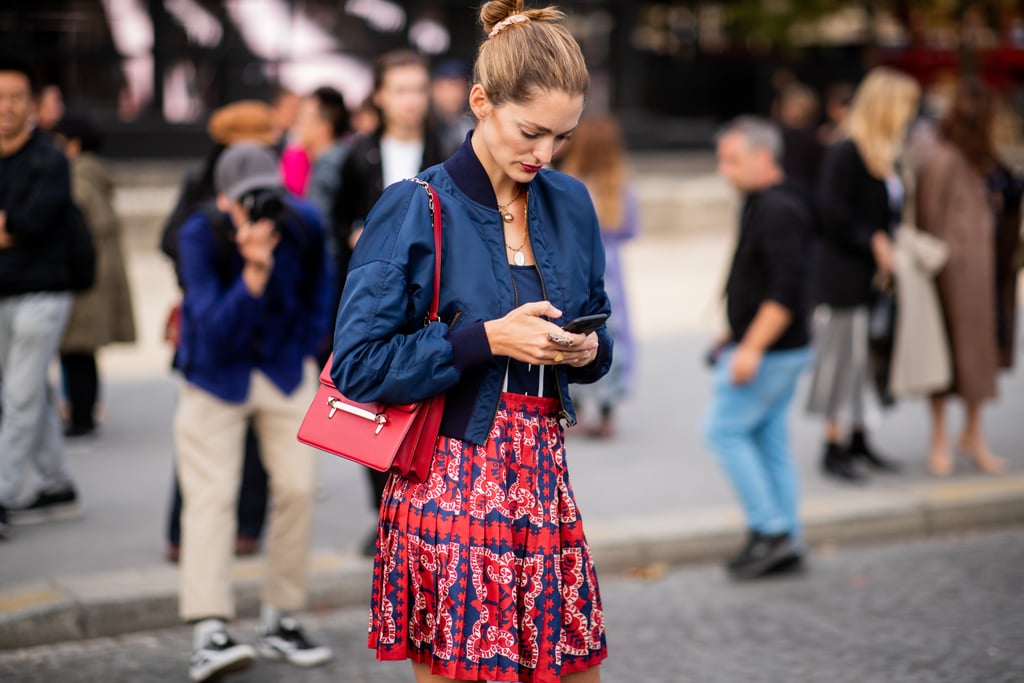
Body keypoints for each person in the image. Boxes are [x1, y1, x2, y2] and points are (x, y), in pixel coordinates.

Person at [331, 1, 611, 680]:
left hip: (545, 483)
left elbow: (601, 327)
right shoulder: (413, 205)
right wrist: (486, 339)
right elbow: (357, 366)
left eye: (562, 137)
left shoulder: (570, 202)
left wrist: (587, 353)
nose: (543, 154)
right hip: (449, 484)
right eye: (531, 131)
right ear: (481, 102)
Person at [174, 142, 333, 681]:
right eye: (248, 200)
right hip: (215, 375)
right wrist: (253, 273)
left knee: (296, 488)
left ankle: (280, 616)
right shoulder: (200, 235)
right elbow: (214, 330)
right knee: (211, 497)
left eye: (268, 194)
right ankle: (210, 627)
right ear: (224, 201)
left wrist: (309, 347)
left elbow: (322, 295)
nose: (261, 208)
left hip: (284, 368)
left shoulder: (303, 224)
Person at [330, 48, 446, 555]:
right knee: (370, 413)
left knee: (424, 411)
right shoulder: (359, 155)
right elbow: (335, 221)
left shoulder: (446, 147)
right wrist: (355, 237)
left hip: (430, 301)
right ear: (379, 96)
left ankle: (420, 514)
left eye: (418, 89)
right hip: (375, 300)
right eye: (400, 90)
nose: (411, 101)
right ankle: (384, 518)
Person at [161, 100, 277, 564]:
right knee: (202, 441)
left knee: (259, 441)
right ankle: (183, 532)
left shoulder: (273, 182)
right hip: (213, 322)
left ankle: (247, 526)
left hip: (264, 329)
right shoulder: (202, 187)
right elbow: (172, 240)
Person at [702, 117, 814, 580]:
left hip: (772, 351)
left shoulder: (778, 209)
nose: (724, 170)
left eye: (732, 160)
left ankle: (771, 531)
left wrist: (749, 347)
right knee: (768, 443)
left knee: (722, 430)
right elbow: (764, 280)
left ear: (762, 158)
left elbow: (784, 293)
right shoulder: (762, 202)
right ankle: (785, 533)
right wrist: (735, 332)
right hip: (776, 346)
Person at [805, 67, 920, 482]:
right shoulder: (846, 149)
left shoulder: (886, 152)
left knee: (863, 364)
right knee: (840, 362)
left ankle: (859, 439)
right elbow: (831, 212)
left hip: (872, 278)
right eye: (906, 105)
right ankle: (833, 446)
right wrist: (872, 238)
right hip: (842, 276)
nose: (911, 113)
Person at [916, 80, 1016, 477]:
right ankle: (939, 438)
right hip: (952, 276)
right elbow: (929, 216)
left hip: (988, 271)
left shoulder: (986, 159)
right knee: (945, 361)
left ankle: (973, 434)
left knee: (982, 356)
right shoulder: (942, 158)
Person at [0, 59, 82, 538]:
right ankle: (57, 483)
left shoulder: (49, 159)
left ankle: (4, 495)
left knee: (19, 396)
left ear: (32, 105)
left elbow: (31, 223)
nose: (5, 107)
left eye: (15, 97)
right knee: (31, 393)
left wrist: (14, 227)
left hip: (43, 294)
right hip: (4, 293)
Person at [52, 114, 137, 437]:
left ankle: (81, 420)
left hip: (84, 275)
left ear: (73, 145)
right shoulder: (95, 175)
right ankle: (84, 415)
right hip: (100, 273)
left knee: (76, 352)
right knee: (83, 353)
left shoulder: (75, 180)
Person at [558, 114, 638, 439]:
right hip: (612, 268)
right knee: (613, 331)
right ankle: (608, 410)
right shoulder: (621, 189)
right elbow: (631, 230)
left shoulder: (567, 186)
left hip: (573, 267)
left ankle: (575, 403)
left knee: (576, 327)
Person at [431, 58, 474, 157]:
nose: (449, 95)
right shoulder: (426, 127)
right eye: (443, 88)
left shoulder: (473, 124)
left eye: (455, 87)